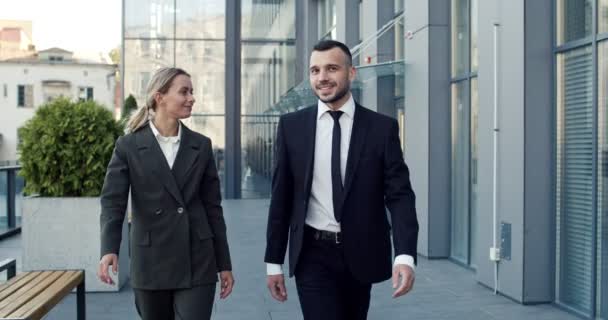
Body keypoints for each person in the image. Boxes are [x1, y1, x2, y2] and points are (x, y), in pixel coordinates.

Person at [264, 40, 419, 320]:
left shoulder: (381, 129)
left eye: (332, 68)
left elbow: (399, 195)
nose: (322, 77)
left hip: (362, 251)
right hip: (311, 253)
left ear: (351, 73)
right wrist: (273, 261)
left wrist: (405, 254)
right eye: (315, 70)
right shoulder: (292, 127)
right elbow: (281, 197)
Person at [98, 67, 234, 320]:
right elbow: (113, 202)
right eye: (184, 92)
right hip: (150, 259)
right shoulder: (128, 146)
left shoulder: (201, 145)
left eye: (192, 92)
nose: (191, 98)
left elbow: (213, 208)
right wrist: (109, 249)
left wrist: (224, 263)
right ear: (160, 98)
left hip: (197, 258)